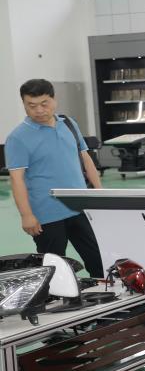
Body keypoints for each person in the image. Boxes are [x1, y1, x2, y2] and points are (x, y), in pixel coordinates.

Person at [6, 78, 104, 278]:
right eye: (31, 105)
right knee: (54, 270)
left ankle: (105, 293)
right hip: (47, 215)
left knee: (99, 259)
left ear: (54, 99)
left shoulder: (68, 124)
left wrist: (100, 194)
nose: (39, 110)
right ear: (24, 104)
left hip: (80, 207)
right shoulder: (17, 137)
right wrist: (26, 215)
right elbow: (17, 179)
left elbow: (85, 159)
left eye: (44, 103)